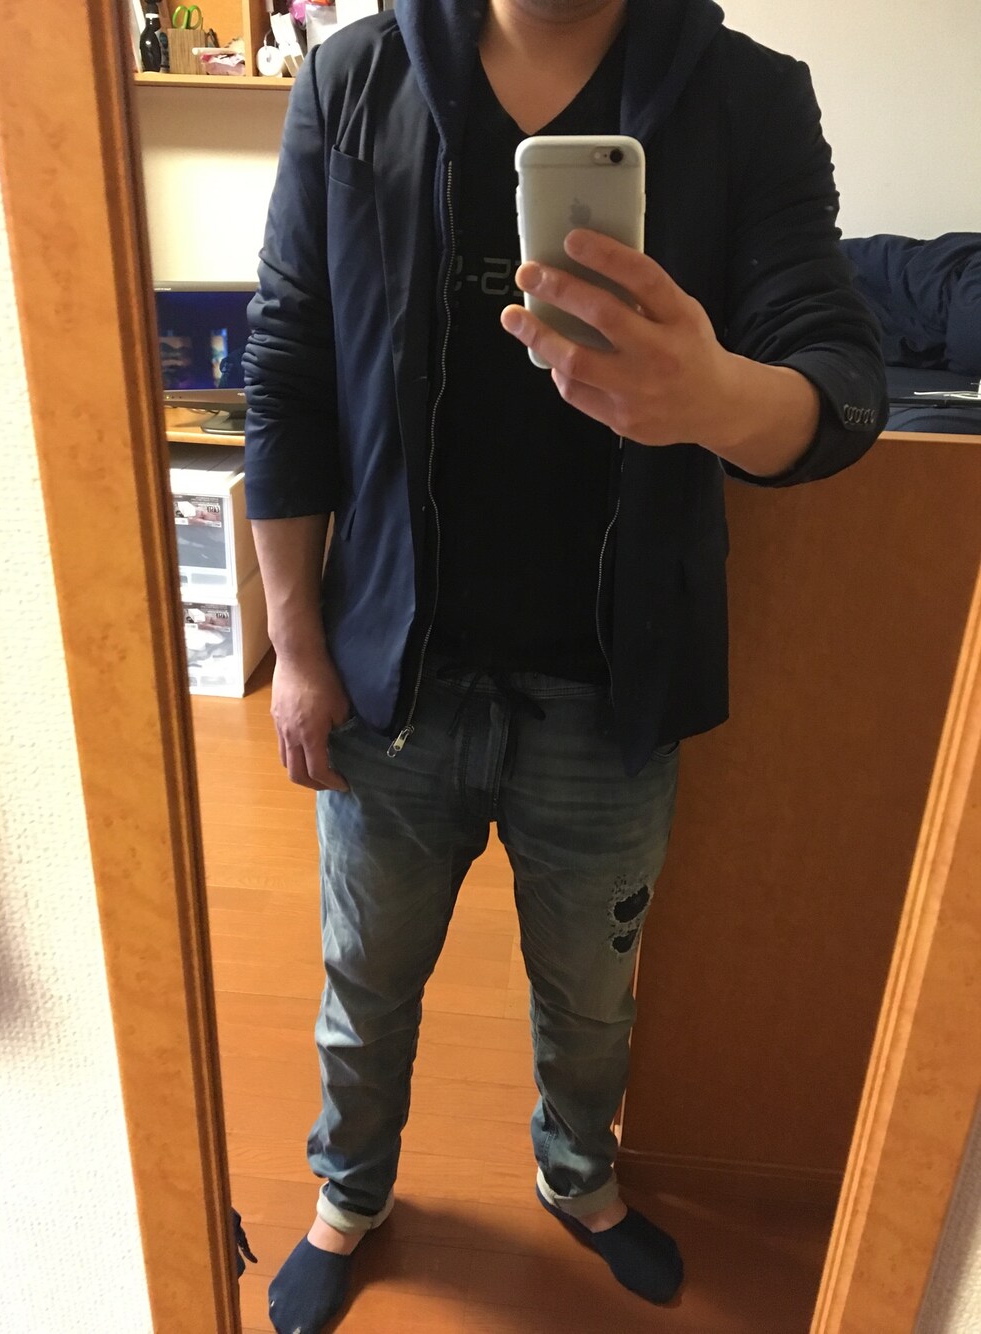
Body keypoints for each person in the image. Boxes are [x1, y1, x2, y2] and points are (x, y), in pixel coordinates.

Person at [242, 0, 887, 1329]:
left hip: (614, 682)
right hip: (391, 674)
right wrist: (294, 649)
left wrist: (714, 398)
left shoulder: (748, 98)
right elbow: (288, 370)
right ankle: (347, 1194)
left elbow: (842, 375)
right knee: (365, 984)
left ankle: (577, 1175)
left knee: (592, 1005)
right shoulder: (353, 81)